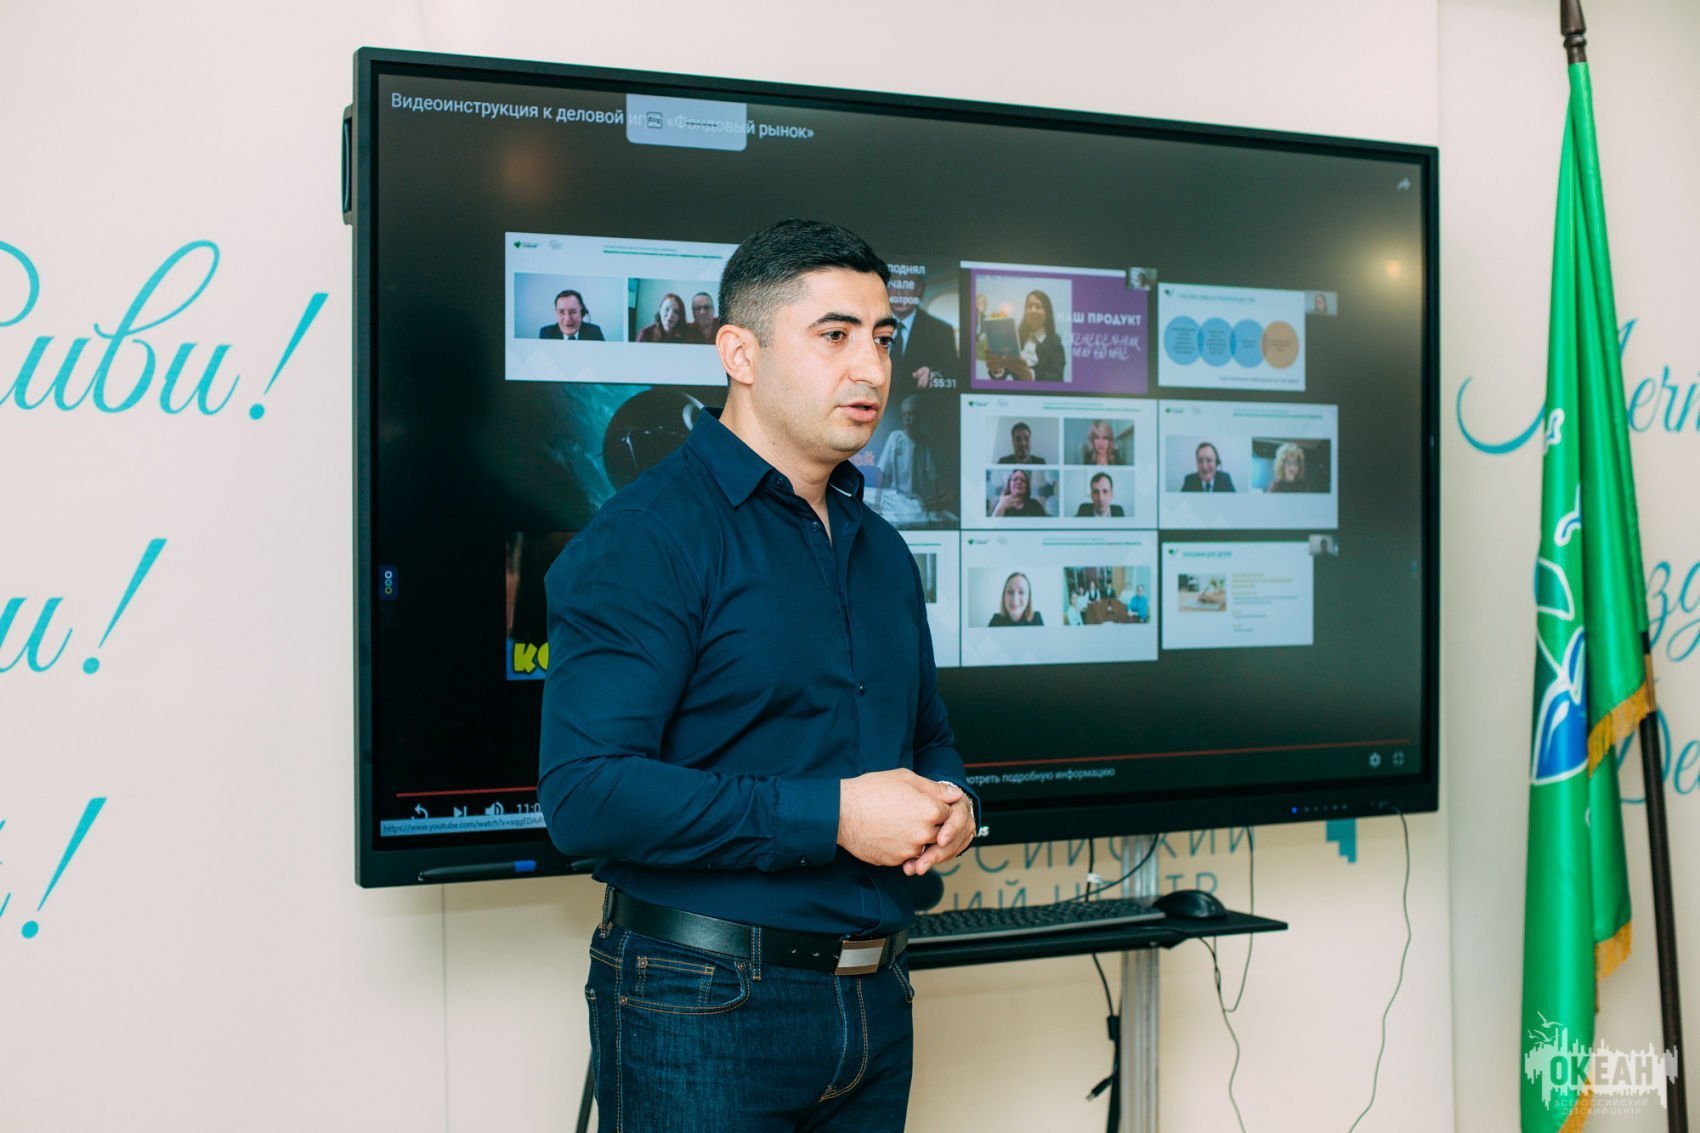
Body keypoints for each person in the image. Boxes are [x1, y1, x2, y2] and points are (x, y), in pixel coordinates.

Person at [540, 219, 977, 1133]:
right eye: (834, 335)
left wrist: (955, 800)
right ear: (740, 352)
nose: (870, 368)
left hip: (876, 1000)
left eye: (882, 338)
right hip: (701, 1001)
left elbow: (928, 735)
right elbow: (585, 794)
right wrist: (836, 815)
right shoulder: (648, 538)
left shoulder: (881, 549)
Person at [885, 269, 958, 398]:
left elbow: (953, 372)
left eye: (907, 284)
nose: (900, 293)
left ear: (918, 289)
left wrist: (934, 374)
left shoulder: (941, 330)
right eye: (894, 284)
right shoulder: (868, 325)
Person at [875, 395, 942, 516]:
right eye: (904, 414)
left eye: (911, 414)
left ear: (919, 417)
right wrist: (877, 503)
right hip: (896, 497)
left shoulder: (924, 442)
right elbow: (883, 471)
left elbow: (933, 475)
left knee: (915, 511)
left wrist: (937, 505)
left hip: (917, 500)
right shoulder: (895, 438)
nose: (907, 418)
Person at [986, 289, 1065, 382]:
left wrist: (1030, 375)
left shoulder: (1055, 344)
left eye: (1038, 307)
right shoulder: (1016, 339)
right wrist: (997, 369)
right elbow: (1002, 376)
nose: (1033, 310)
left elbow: (1057, 378)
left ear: (1047, 312)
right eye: (1029, 306)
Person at [539, 289, 606, 340]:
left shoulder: (594, 332)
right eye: (561, 312)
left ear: (582, 313)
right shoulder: (546, 333)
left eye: (573, 312)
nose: (567, 319)